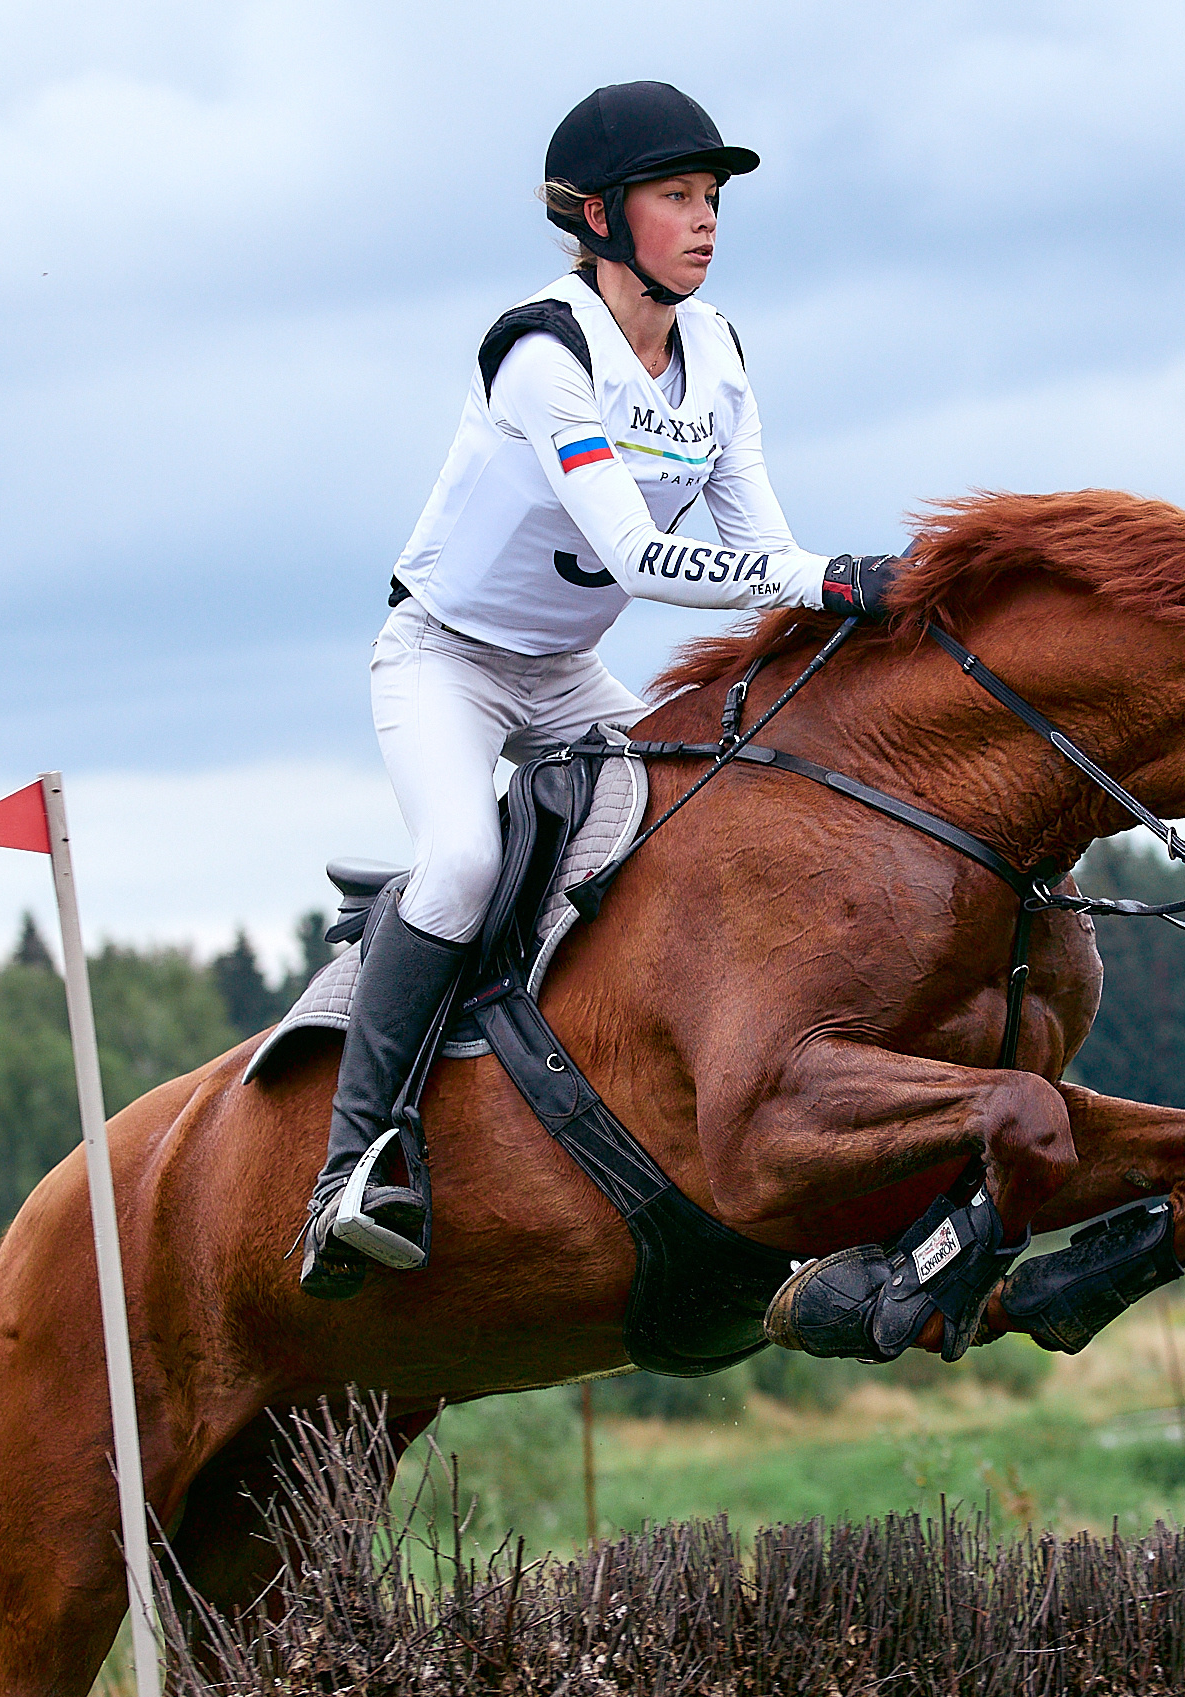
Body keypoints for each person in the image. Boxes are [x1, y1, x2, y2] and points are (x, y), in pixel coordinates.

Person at [298, 82, 902, 1299]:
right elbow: (643, 558)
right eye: (677, 196)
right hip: (448, 663)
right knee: (461, 864)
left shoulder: (718, 351)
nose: (706, 220)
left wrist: (848, 613)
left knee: (714, 816)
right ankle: (355, 1164)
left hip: (570, 673)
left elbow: (762, 558)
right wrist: (825, 577)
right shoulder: (543, 349)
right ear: (598, 216)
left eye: (714, 198)